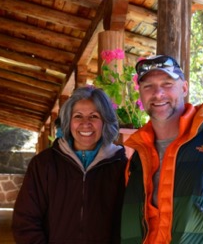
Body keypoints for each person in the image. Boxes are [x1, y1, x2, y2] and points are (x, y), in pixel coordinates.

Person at [121, 55, 203, 244]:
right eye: (148, 86)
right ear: (141, 95)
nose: (158, 93)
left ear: (184, 88)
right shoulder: (136, 160)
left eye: (167, 83)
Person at [12, 86, 128, 244]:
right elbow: (25, 221)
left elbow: (126, 224)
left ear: (105, 122)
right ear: (68, 122)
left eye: (94, 116)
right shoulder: (44, 164)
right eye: (78, 116)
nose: (85, 123)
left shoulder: (121, 166)